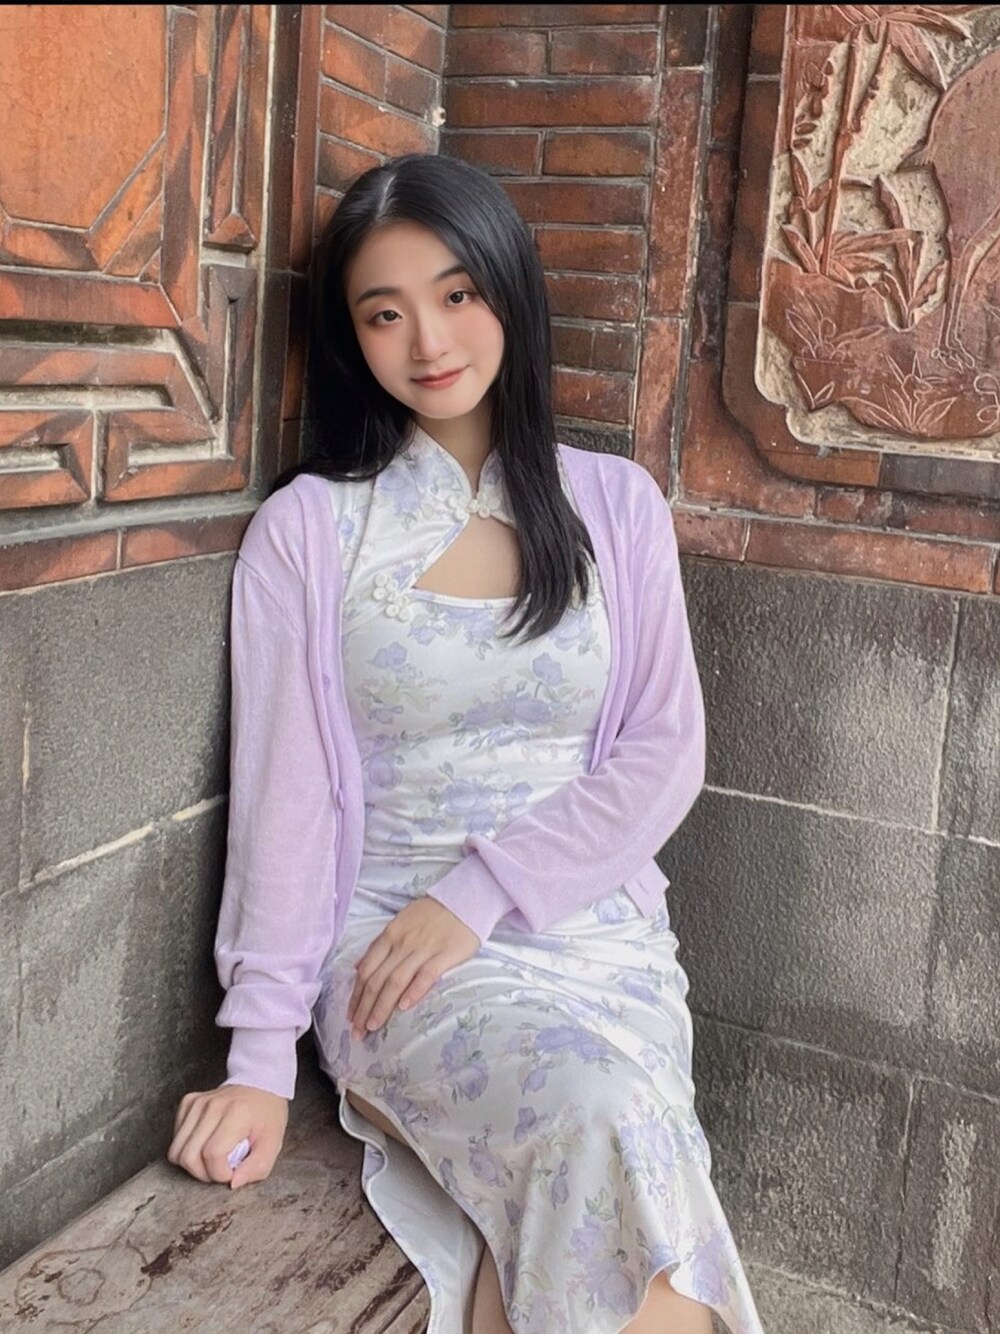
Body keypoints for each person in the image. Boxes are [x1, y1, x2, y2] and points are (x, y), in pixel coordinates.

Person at [168, 152, 763, 1334]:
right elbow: (284, 806)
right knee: (599, 1120)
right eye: (383, 313)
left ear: (509, 291)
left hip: (599, 939)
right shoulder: (311, 530)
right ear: (351, 337)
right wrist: (259, 1060)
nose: (428, 341)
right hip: (397, 957)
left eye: (457, 294)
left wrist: (484, 890)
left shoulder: (614, 505)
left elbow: (663, 751)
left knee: (601, 1158)